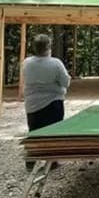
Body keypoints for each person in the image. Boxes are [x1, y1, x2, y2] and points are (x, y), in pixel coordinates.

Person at [23, 34, 71, 170]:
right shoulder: (55, 63)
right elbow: (65, 82)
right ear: (48, 47)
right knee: (54, 133)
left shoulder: (27, 62)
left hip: (32, 104)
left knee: (33, 132)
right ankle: (53, 161)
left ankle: (30, 161)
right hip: (53, 102)